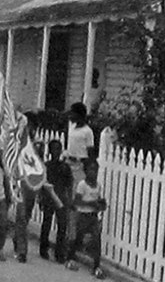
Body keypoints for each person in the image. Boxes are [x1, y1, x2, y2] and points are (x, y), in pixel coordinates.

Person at [65, 158, 107, 279]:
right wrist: (91, 204)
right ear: (86, 171)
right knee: (78, 238)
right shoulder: (82, 185)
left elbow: (98, 200)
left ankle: (96, 266)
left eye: (95, 170)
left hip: (93, 216)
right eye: (90, 170)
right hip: (83, 216)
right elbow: (77, 201)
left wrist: (101, 204)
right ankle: (70, 258)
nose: (93, 172)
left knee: (96, 240)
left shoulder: (98, 185)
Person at [39, 140, 73, 263]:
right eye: (54, 149)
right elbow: (42, 184)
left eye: (58, 149)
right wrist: (41, 198)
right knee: (46, 223)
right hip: (49, 198)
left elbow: (69, 184)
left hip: (61, 199)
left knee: (62, 226)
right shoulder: (46, 166)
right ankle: (43, 249)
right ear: (50, 151)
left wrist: (68, 199)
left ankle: (59, 253)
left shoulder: (65, 167)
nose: (56, 152)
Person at [65, 102, 94, 241]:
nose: (70, 116)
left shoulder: (87, 131)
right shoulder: (71, 127)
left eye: (73, 113)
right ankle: (66, 234)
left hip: (79, 164)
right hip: (68, 162)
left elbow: (90, 152)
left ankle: (73, 237)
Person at [13, 141, 44, 263]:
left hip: (31, 188)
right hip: (22, 186)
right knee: (21, 217)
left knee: (25, 217)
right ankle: (22, 251)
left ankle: (17, 238)